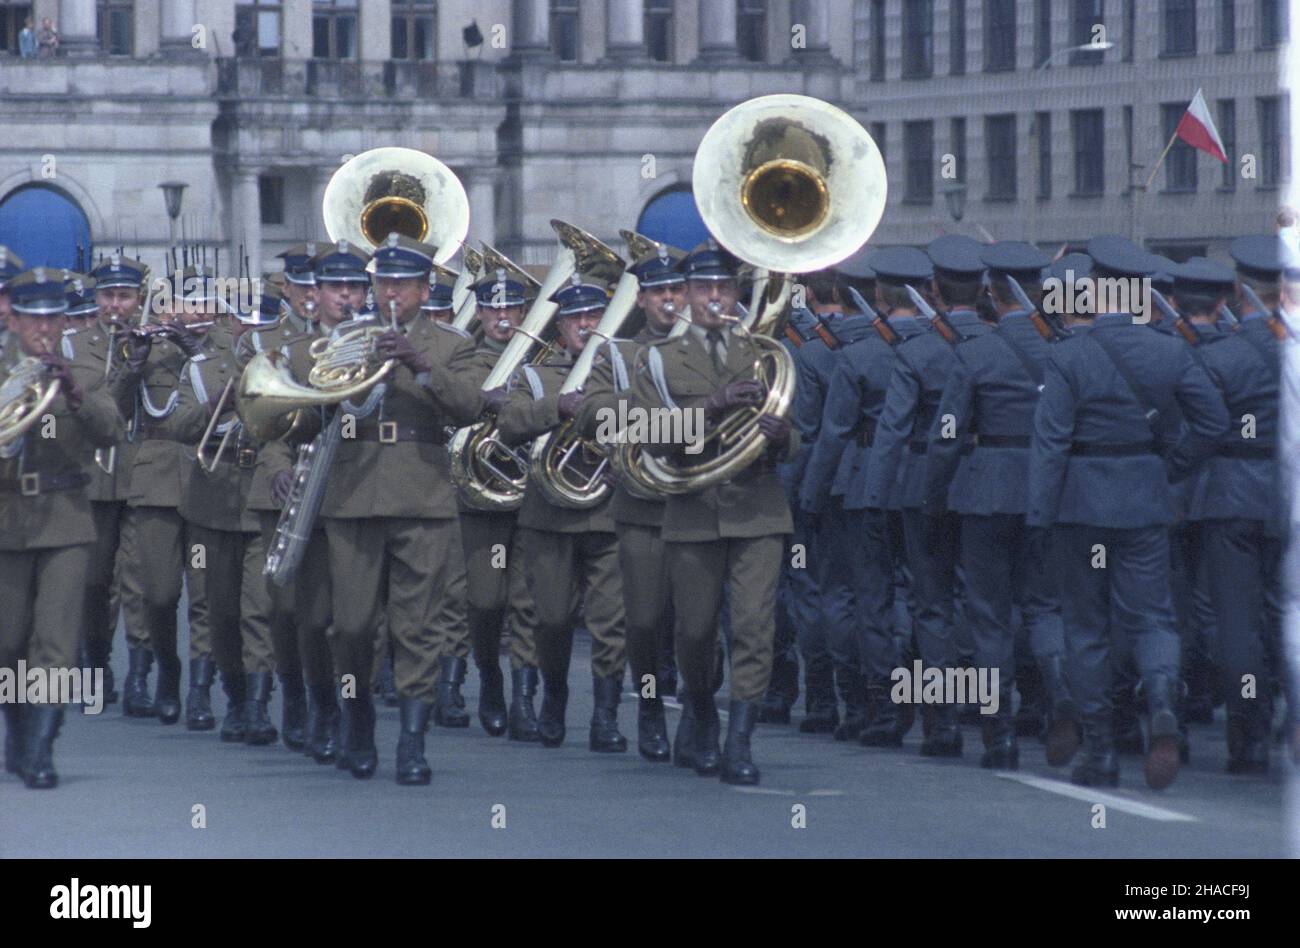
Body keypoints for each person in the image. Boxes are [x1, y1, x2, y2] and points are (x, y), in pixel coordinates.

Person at [1028, 235, 1229, 790]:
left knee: (1088, 627)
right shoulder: (1170, 350)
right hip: (1144, 499)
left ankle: (1102, 751)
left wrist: (1039, 517)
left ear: (1097, 288)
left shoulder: (1067, 354)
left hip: (1080, 508)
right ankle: (1162, 699)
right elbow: (1213, 424)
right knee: (1154, 616)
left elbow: (1051, 446)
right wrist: (1170, 469)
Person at [317, 235, 485, 784]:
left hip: (422, 495)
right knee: (351, 626)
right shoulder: (345, 336)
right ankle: (358, 721)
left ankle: (412, 743)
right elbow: (314, 404)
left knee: (418, 627)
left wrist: (419, 364)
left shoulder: (450, 343)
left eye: (403, 285)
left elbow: (471, 406)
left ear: (424, 288)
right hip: (353, 490)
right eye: (383, 283)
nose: (391, 293)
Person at [630, 240, 796, 785]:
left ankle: (739, 741)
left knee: (753, 627)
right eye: (705, 289)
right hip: (694, 508)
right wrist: (715, 406)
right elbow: (646, 434)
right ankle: (700, 713)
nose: (716, 298)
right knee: (696, 632)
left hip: (757, 507)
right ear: (687, 297)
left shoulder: (763, 349)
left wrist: (780, 437)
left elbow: (795, 432)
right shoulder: (656, 357)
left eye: (725, 288)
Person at [922, 241, 1068, 770]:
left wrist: (935, 496)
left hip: (986, 492)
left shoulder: (974, 351)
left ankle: (1000, 735)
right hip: (1048, 491)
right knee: (1045, 606)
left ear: (992, 293)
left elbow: (947, 434)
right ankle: (1061, 701)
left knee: (989, 619)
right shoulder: (1064, 348)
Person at [862, 239, 994, 758]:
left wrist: (877, 496)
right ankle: (995, 719)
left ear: (935, 291)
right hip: (984, 483)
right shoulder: (998, 344)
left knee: (930, 604)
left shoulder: (914, 352)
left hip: (921, 485)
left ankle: (940, 725)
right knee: (983, 605)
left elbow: (893, 431)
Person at [1, 268, 125, 788]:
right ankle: (19, 726)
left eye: (53, 319)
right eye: (35, 319)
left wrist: (73, 392)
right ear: (15, 320)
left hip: (66, 517)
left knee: (55, 642)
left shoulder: (83, 372)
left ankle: (41, 748)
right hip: (7, 518)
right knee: (8, 643)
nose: (44, 330)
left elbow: (111, 431)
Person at [495, 274, 630, 753]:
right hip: (550, 516)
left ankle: (605, 719)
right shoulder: (535, 374)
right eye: (576, 318)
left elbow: (654, 424)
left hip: (609, 513)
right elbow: (507, 424)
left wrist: (626, 465)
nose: (586, 325)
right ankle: (553, 697)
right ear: (560, 326)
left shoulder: (624, 370)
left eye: (595, 317)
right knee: (550, 620)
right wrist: (558, 406)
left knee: (610, 622)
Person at [574, 242, 687, 760]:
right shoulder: (617, 355)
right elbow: (593, 415)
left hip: (698, 502)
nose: (670, 301)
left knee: (696, 621)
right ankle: (647, 708)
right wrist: (656, 405)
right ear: (640, 299)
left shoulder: (713, 350)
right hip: (642, 505)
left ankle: (697, 712)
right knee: (641, 621)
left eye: (677, 291)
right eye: (660, 292)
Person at [456, 267, 543, 740]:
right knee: (485, 601)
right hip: (481, 499)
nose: (502, 317)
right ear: (482, 312)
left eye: (511, 307)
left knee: (526, 602)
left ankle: (523, 700)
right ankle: (489, 676)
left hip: (531, 492)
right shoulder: (467, 360)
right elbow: (453, 401)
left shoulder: (539, 361)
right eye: (493, 308)